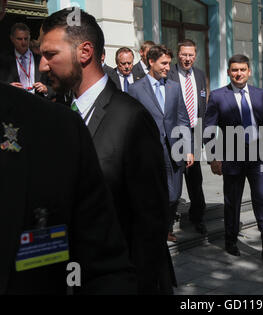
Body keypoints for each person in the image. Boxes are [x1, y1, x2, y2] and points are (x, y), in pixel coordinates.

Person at [0, 0, 136, 294]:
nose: (42, 65)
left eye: (50, 55)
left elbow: (107, 260)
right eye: (41, 55)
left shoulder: (57, 127)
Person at [39, 7, 176, 294]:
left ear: (84, 52)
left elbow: (150, 223)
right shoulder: (59, 116)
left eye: (50, 55)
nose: (42, 65)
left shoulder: (132, 119)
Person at [203, 54, 263, 260]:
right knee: (232, 201)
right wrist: (212, 158)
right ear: (229, 72)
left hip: (257, 154)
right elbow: (209, 128)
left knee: (261, 198)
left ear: (249, 71)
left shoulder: (259, 94)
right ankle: (230, 241)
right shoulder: (218, 96)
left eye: (242, 69)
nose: (238, 73)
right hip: (232, 155)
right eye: (234, 70)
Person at [128, 45, 194, 243]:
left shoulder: (174, 87)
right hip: (148, 150)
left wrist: (189, 149)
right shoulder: (135, 89)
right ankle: (157, 230)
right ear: (151, 62)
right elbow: (131, 122)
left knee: (174, 194)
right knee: (151, 191)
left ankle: (166, 226)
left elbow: (183, 119)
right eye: (163, 63)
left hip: (174, 149)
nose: (167, 67)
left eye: (168, 63)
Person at [167, 39, 208, 235]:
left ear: (195, 55)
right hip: (175, 133)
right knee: (175, 177)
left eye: (191, 55)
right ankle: (169, 220)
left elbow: (202, 106)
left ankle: (197, 217)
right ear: (178, 54)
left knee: (195, 178)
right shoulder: (169, 74)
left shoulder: (199, 75)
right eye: (184, 54)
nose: (187, 58)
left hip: (195, 132)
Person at [0, 23, 53, 98]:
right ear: (12, 39)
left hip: (38, 103)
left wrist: (46, 89)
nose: (23, 42)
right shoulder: (3, 61)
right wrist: (9, 87)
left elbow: (55, 87)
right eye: (19, 39)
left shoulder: (41, 59)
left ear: (29, 37)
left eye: (26, 38)